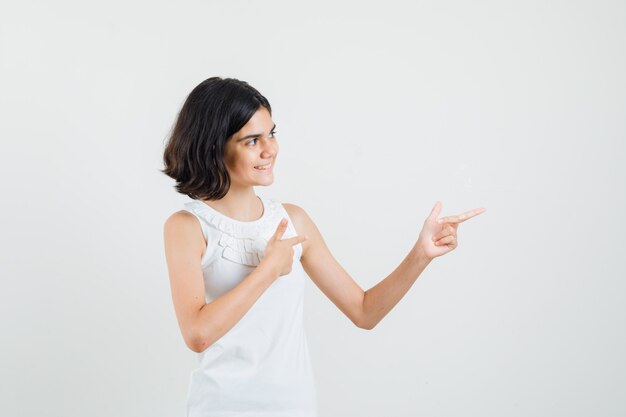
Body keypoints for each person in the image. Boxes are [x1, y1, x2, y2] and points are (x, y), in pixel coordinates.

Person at [161, 76, 486, 417]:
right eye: (252, 140)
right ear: (215, 147)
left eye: (271, 133)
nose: (269, 149)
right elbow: (197, 334)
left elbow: (364, 311)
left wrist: (421, 254)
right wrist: (269, 270)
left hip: (294, 408)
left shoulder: (294, 220)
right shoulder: (187, 227)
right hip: (221, 408)